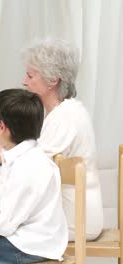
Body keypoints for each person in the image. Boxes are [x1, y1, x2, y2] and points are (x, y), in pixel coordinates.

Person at [0, 89, 67, 263]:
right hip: (41, 238)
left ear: (2, 127)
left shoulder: (25, 168)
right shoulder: (31, 155)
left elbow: (2, 226)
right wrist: (0, 151)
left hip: (28, 245)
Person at [22, 38, 103, 240]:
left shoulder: (66, 117)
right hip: (68, 214)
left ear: (52, 80)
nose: (24, 82)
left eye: (31, 76)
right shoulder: (58, 112)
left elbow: (31, 167)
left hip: (77, 220)